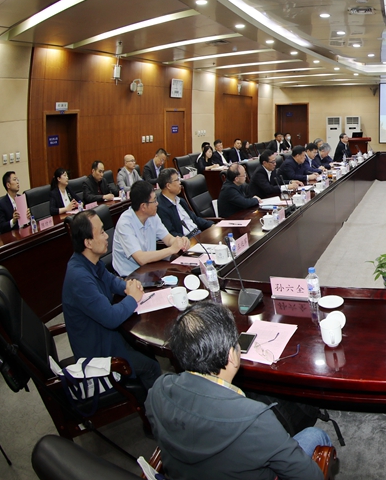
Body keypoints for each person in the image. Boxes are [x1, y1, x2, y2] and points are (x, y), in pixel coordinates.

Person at [146, 301, 329, 480]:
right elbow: (309, 475)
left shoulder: (158, 389)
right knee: (316, 435)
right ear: (232, 356)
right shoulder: (254, 417)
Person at [63, 210, 161, 390]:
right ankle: (153, 407)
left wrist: (129, 286)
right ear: (88, 242)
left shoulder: (89, 261)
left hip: (108, 336)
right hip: (99, 352)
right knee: (152, 367)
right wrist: (132, 297)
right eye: (101, 232)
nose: (107, 235)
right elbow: (110, 318)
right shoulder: (79, 277)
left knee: (147, 349)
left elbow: (111, 281)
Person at [112, 180, 191, 276]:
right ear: (143, 206)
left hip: (149, 269)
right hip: (129, 276)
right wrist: (171, 250)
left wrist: (180, 242)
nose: (157, 203)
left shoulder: (153, 216)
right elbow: (141, 258)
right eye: (154, 201)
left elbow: (168, 239)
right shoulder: (125, 224)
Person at [156, 168, 213, 238]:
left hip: (199, 233)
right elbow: (170, 233)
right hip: (186, 240)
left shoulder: (181, 201)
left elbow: (195, 219)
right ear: (168, 186)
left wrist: (211, 225)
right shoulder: (161, 207)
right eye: (177, 180)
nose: (180, 182)